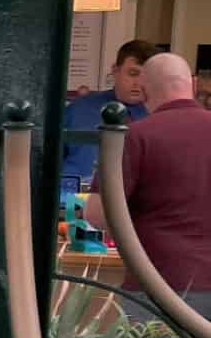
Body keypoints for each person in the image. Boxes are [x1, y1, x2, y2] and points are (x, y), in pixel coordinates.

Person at [85, 53, 211, 320]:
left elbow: (97, 214)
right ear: (194, 83)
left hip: (158, 284)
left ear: (143, 91)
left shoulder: (134, 137)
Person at [63, 40, 154, 187]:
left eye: (146, 76)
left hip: (134, 203)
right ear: (115, 71)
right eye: (133, 73)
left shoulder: (159, 118)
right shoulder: (80, 108)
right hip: (74, 198)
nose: (139, 83)